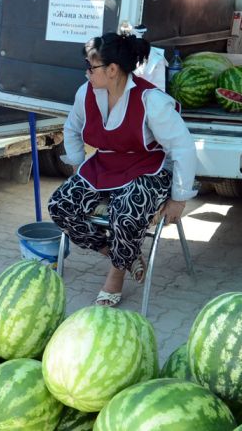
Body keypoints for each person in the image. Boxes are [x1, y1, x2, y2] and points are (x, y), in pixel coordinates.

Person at [48, 32, 197, 307]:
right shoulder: (86, 94)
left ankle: (116, 274)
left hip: (147, 169)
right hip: (105, 164)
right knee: (60, 206)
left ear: (112, 69)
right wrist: (78, 166)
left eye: (90, 67)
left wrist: (178, 198)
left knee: (126, 214)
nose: (86, 74)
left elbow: (183, 147)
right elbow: (72, 128)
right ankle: (119, 254)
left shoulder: (151, 101)